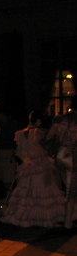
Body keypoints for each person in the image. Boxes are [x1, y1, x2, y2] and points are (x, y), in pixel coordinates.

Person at [1, 111, 65, 228]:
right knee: (43, 190)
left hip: (28, 164)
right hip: (41, 164)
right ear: (39, 121)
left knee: (27, 190)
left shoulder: (21, 133)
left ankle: (27, 216)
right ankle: (43, 217)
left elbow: (19, 151)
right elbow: (49, 148)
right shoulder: (40, 132)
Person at [46, 96, 77, 228]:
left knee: (67, 188)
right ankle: (68, 223)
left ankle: (71, 217)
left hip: (60, 154)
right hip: (73, 156)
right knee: (71, 190)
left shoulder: (59, 119)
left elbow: (48, 137)